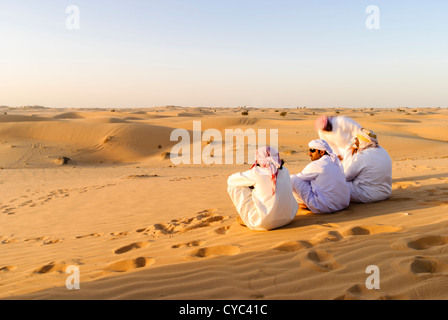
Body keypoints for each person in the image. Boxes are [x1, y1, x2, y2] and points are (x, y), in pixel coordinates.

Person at [227, 146, 298, 231]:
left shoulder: (256, 172)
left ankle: (247, 217)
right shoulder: (285, 171)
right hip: (288, 218)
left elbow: (230, 180)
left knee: (234, 186)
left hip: (263, 223)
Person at [290, 139, 350, 214]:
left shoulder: (317, 165)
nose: (309, 153)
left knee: (293, 179)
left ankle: (304, 204)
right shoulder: (335, 163)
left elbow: (299, 178)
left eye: (312, 150)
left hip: (326, 207)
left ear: (321, 152)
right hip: (343, 204)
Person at [343, 128, 392, 203]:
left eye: (356, 140)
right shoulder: (383, 151)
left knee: (336, 183)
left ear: (360, 141)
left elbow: (345, 177)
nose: (355, 142)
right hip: (385, 193)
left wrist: (349, 153)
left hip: (367, 195)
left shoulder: (361, 156)